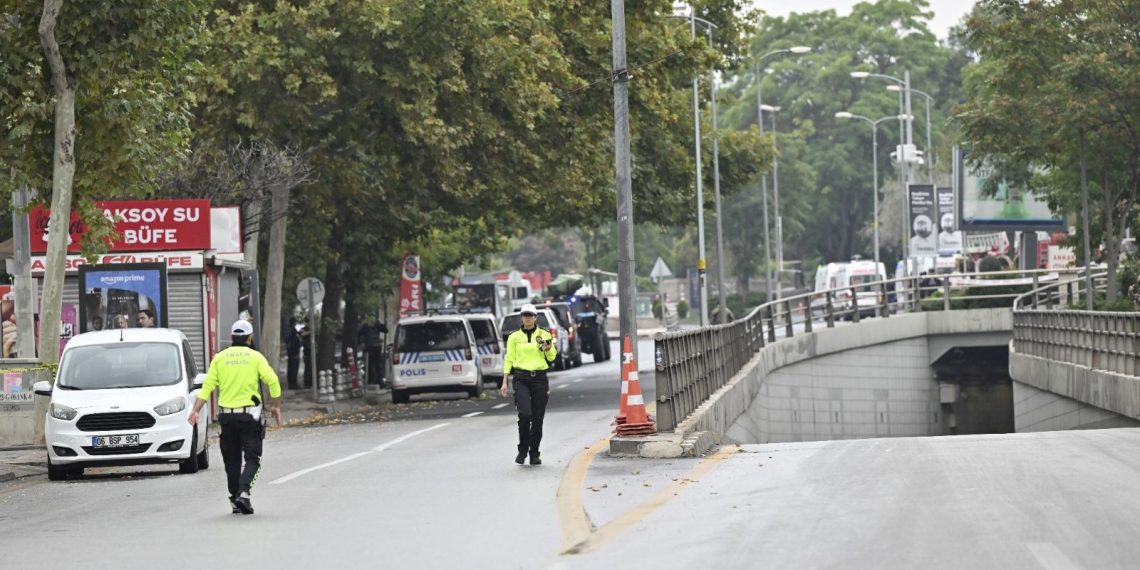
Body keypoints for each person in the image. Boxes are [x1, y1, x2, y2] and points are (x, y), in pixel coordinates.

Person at [188, 319, 281, 515]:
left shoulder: (219, 358)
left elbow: (207, 388)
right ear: (249, 338)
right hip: (249, 418)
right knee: (253, 458)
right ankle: (244, 493)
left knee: (231, 460)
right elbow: (272, 381)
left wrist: (195, 410)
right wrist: (276, 406)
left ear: (231, 337)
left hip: (226, 419)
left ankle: (234, 498)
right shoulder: (255, 357)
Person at [499, 303, 557, 466]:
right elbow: (509, 358)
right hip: (521, 378)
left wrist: (547, 348)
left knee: (538, 418)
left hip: (539, 378)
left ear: (535, 317)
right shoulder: (514, 337)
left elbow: (552, 357)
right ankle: (523, 448)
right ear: (521, 317)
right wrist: (504, 381)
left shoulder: (544, 334)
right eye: (525, 315)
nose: (528, 318)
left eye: (530, 315)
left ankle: (534, 453)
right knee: (525, 414)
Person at [357, 319, 387, 387]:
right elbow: (385, 330)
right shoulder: (373, 325)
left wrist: (361, 342)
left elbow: (385, 330)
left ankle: (373, 380)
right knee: (374, 365)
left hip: (371, 347)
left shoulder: (367, 325)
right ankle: (376, 380)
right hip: (373, 347)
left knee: (373, 365)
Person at [285, 317, 302, 390]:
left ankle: (291, 383)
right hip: (294, 352)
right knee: (294, 369)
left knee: (291, 368)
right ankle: (293, 384)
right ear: (294, 323)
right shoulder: (292, 330)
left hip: (290, 352)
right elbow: (294, 341)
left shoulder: (289, 330)